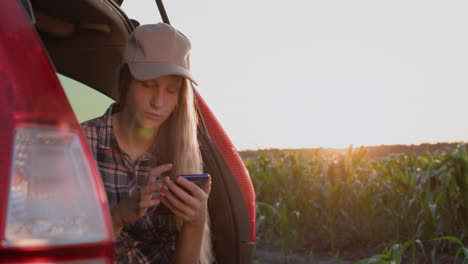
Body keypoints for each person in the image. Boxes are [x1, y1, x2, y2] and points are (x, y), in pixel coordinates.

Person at [81, 23, 213, 264]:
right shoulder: (80, 145)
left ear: (179, 99)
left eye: (171, 90)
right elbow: (65, 252)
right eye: (148, 85)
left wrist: (195, 223)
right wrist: (119, 216)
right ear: (126, 82)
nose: (158, 102)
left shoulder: (183, 155)